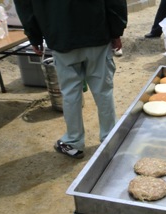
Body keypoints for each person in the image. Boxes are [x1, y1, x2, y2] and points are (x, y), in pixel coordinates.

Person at [14, 0, 128, 159]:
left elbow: (25, 6)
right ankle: (110, 137)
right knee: (103, 90)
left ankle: (73, 142)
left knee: (70, 93)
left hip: (61, 37)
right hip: (96, 34)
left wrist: (34, 37)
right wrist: (116, 31)